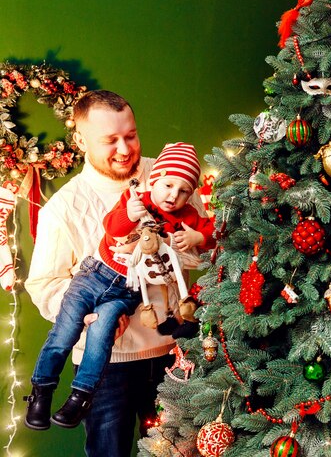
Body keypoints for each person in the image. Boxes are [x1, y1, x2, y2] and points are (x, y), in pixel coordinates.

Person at [24, 90, 209, 456]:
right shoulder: (63, 207)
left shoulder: (175, 177)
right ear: (79, 140)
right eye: (110, 140)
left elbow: (202, 255)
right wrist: (91, 316)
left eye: (131, 135)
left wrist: (194, 248)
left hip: (176, 351)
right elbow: (43, 284)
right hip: (107, 366)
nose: (125, 149)